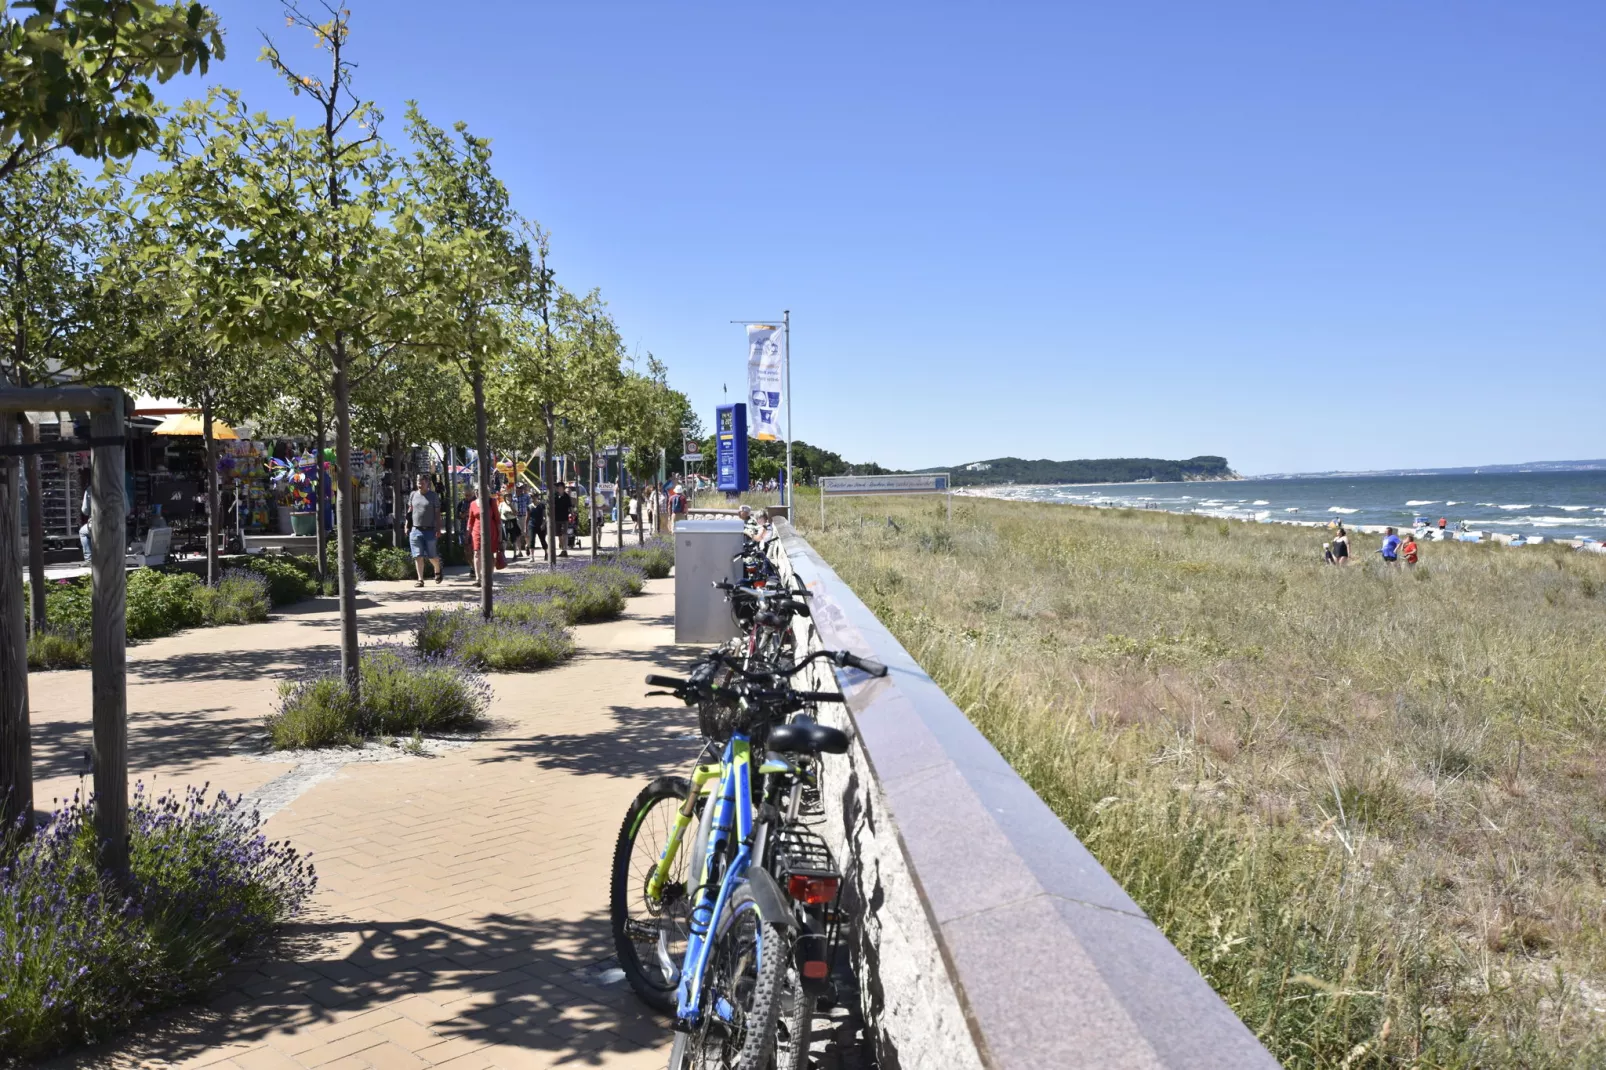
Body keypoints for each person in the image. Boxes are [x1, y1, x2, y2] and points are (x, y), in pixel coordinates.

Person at [406, 474, 443, 586]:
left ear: (427, 483)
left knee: (432, 556)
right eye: (418, 481)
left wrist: (438, 528)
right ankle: (420, 579)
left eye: (422, 482)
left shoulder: (433, 496)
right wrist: (407, 525)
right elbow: (410, 510)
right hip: (416, 529)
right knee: (418, 556)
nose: (419, 484)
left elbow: (437, 514)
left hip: (430, 530)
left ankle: (437, 569)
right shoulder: (413, 495)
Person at [466, 484, 502, 581]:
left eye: (480, 490)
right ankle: (478, 578)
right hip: (476, 532)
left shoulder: (491, 502)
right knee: (477, 553)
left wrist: (500, 536)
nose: (477, 492)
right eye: (476, 490)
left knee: (490, 554)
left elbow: (498, 520)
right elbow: (470, 521)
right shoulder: (472, 504)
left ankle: (489, 576)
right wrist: (467, 535)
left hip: (491, 532)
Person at [553, 483, 574, 557]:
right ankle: (563, 549)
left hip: (565, 518)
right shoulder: (554, 496)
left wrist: (572, 515)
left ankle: (564, 549)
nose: (558, 488)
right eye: (557, 487)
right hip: (556, 518)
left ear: (563, 488)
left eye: (559, 487)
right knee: (559, 535)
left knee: (565, 533)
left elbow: (570, 507)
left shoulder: (567, 496)